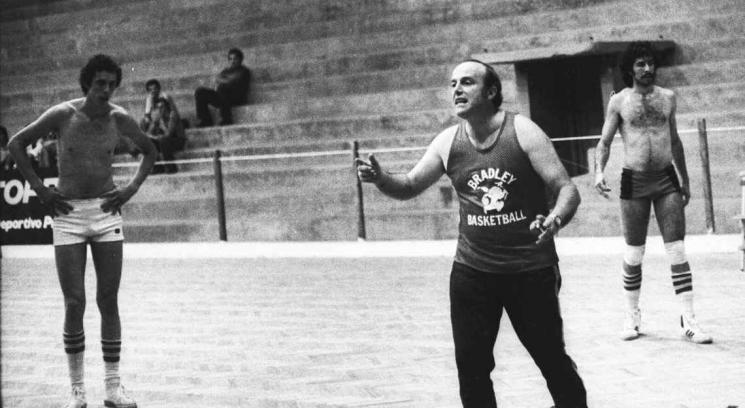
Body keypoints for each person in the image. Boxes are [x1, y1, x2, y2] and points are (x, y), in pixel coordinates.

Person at [356, 59, 587, 408]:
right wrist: (381, 178)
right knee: (472, 367)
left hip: (529, 270)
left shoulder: (523, 132)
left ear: (491, 91)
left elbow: (567, 188)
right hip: (473, 272)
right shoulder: (448, 141)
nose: (457, 90)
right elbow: (409, 185)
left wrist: (554, 219)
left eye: (467, 82)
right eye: (452, 84)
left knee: (551, 359)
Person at [7, 54, 157, 408]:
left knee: (109, 300)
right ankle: (76, 389)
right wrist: (42, 191)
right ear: (86, 84)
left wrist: (130, 189)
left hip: (106, 213)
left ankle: (113, 387)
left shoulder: (119, 118)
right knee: (75, 302)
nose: (106, 90)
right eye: (99, 83)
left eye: (111, 84)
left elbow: (150, 151)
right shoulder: (63, 114)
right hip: (68, 214)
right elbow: (16, 144)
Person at [594, 41, 712, 344]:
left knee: (677, 249)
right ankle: (632, 315)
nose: (647, 69)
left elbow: (674, 142)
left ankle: (689, 320)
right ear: (630, 69)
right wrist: (598, 172)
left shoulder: (668, 97)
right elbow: (605, 142)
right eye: (640, 64)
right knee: (634, 252)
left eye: (650, 63)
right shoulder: (619, 101)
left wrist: (684, 180)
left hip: (665, 179)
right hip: (634, 180)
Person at [194, 47, 251, 127]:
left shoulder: (244, 71)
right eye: (230, 59)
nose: (232, 61)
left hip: (237, 98)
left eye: (235, 59)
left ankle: (227, 119)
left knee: (223, 88)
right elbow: (216, 83)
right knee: (200, 92)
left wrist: (220, 79)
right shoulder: (226, 71)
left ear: (240, 60)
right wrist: (218, 82)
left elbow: (231, 81)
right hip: (224, 98)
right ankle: (205, 120)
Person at [144, 97, 185, 174]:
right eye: (158, 107)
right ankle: (157, 167)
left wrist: (162, 125)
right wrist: (154, 122)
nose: (160, 109)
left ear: (167, 106)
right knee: (149, 142)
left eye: (162, 107)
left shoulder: (172, 115)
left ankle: (171, 167)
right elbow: (147, 134)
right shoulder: (158, 117)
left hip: (178, 140)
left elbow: (168, 134)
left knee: (163, 141)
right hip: (164, 141)